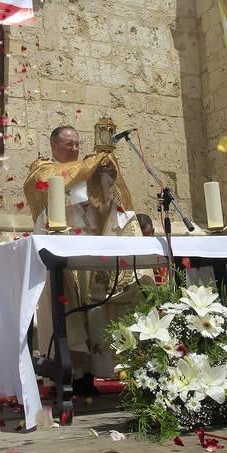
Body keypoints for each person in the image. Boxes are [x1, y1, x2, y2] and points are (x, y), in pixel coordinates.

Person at [24, 126, 150, 395]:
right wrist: (90, 165)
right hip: (62, 250)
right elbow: (49, 186)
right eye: (68, 144)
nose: (74, 149)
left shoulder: (88, 171)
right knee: (66, 311)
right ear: (54, 146)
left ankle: (90, 374)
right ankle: (67, 374)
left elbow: (110, 203)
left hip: (91, 252)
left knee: (95, 312)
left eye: (77, 144)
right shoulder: (43, 168)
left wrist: (107, 175)